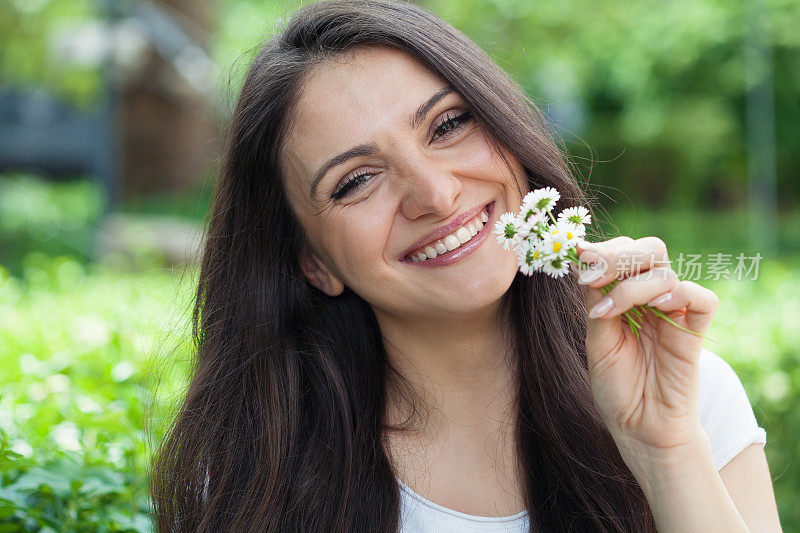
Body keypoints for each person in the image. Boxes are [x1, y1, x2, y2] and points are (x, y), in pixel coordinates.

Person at [149, 1, 782, 531]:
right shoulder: (264, 475)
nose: (437, 194)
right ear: (313, 263)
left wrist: (665, 454)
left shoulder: (688, 401)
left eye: (449, 124)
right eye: (358, 180)